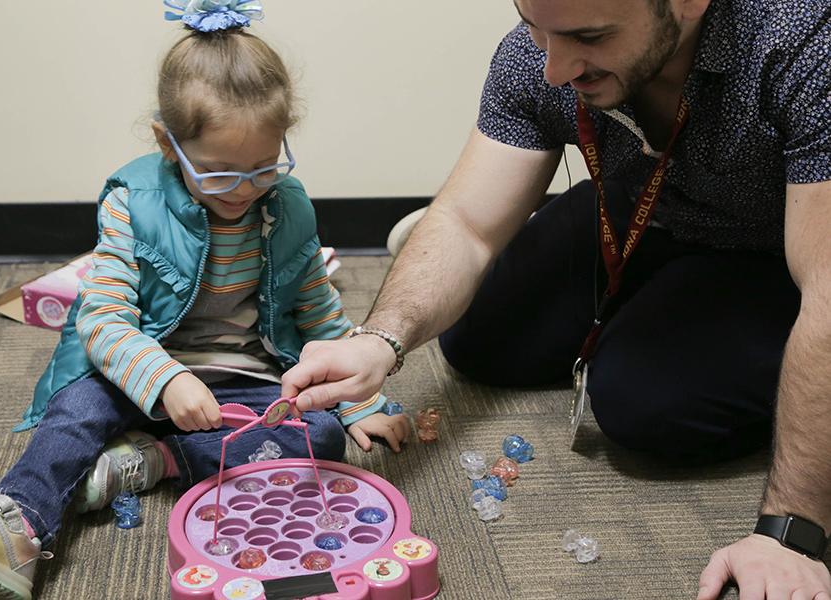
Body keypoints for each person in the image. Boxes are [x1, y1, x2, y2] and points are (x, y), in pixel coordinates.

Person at [282, 0, 831, 597]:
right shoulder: (543, 54)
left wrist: (791, 534)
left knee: (641, 404)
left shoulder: (804, 43)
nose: (554, 67)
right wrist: (377, 339)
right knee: (476, 336)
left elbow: (828, 294)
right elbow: (467, 223)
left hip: (781, 243)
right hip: (651, 202)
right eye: (536, 28)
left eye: (588, 36)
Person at [0, 2, 408, 598]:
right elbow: (102, 323)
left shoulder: (288, 207)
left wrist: (361, 403)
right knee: (75, 411)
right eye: (219, 171)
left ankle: (155, 461)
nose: (244, 189)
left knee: (323, 434)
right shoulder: (131, 202)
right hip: (138, 371)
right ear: (167, 143)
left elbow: (319, 313)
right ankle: (17, 524)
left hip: (246, 379)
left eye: (263, 167)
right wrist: (164, 380)